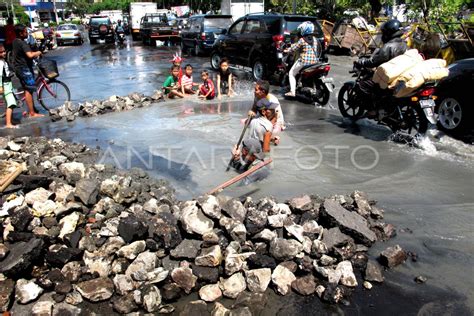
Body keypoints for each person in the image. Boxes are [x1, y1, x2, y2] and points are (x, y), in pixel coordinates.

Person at [353, 19, 407, 115]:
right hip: (398, 73)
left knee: (363, 84)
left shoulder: (388, 46)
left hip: (387, 74)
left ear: (389, 33)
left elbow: (374, 61)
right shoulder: (404, 44)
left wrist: (362, 62)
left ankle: (372, 109)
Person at [12, 24, 43, 118]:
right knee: (29, 90)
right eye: (25, 31)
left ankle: (31, 109)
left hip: (18, 68)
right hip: (24, 68)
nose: (27, 33)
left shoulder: (15, 41)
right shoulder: (22, 43)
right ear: (21, 33)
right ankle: (32, 113)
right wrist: (38, 52)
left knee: (27, 89)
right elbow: (29, 55)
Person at [284, 21, 320, 97]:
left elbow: (294, 48)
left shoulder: (302, 39)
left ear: (304, 30)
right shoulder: (315, 39)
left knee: (291, 73)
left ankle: (292, 92)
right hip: (314, 62)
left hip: (304, 61)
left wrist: (287, 50)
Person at [0, 44, 18, 128]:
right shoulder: (0, 63)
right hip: (5, 85)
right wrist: (0, 86)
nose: (3, 53)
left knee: (9, 103)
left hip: (8, 84)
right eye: (1, 52)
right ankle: (8, 123)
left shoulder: (3, 61)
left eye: (4, 51)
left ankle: (10, 120)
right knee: (11, 103)